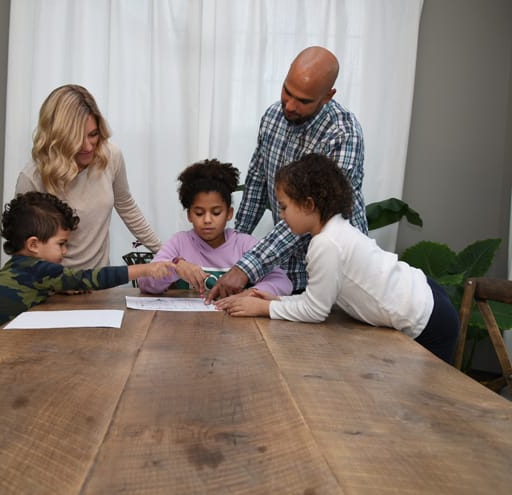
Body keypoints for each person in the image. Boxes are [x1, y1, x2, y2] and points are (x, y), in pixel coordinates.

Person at [215, 154, 459, 364]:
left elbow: (315, 311)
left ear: (308, 205)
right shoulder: (333, 231)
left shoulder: (326, 243)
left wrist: (264, 307)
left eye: (284, 207)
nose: (281, 215)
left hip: (427, 317)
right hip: (425, 295)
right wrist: (279, 299)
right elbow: (322, 297)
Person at [207, 46, 366, 302]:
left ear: (328, 96)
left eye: (303, 101)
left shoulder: (343, 135)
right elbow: (257, 182)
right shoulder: (272, 117)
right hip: (284, 270)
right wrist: (234, 245)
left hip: (332, 273)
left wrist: (245, 268)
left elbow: (310, 214)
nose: (289, 106)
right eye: (287, 91)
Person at [0, 192, 172, 342]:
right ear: (33, 245)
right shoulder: (39, 269)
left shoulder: (18, 267)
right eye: (61, 244)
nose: (65, 251)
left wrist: (60, 285)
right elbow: (87, 277)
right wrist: (144, 269)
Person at [15, 84, 161, 269]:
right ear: (57, 137)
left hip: (99, 282)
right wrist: (56, 283)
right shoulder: (32, 178)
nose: (88, 147)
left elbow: (126, 206)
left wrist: (166, 253)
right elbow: (23, 248)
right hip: (53, 286)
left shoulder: (111, 156)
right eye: (76, 138)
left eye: (93, 135)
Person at [137, 159, 292, 297]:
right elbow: (145, 283)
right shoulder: (179, 243)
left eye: (216, 212)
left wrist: (251, 294)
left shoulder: (245, 244)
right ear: (189, 215)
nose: (207, 220)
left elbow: (282, 281)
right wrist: (175, 267)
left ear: (229, 213)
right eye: (199, 213)